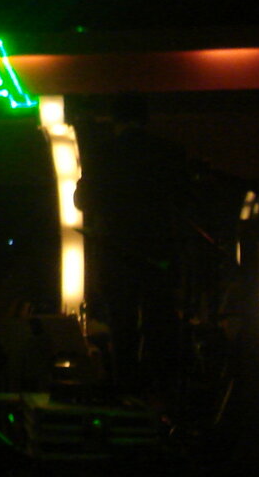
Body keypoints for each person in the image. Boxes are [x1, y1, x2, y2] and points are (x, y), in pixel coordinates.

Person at [74, 93, 189, 394]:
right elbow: (185, 200)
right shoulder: (168, 151)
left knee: (121, 323)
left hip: (116, 251)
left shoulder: (103, 154)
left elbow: (83, 200)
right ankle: (163, 390)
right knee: (159, 322)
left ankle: (126, 390)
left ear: (115, 120)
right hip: (157, 250)